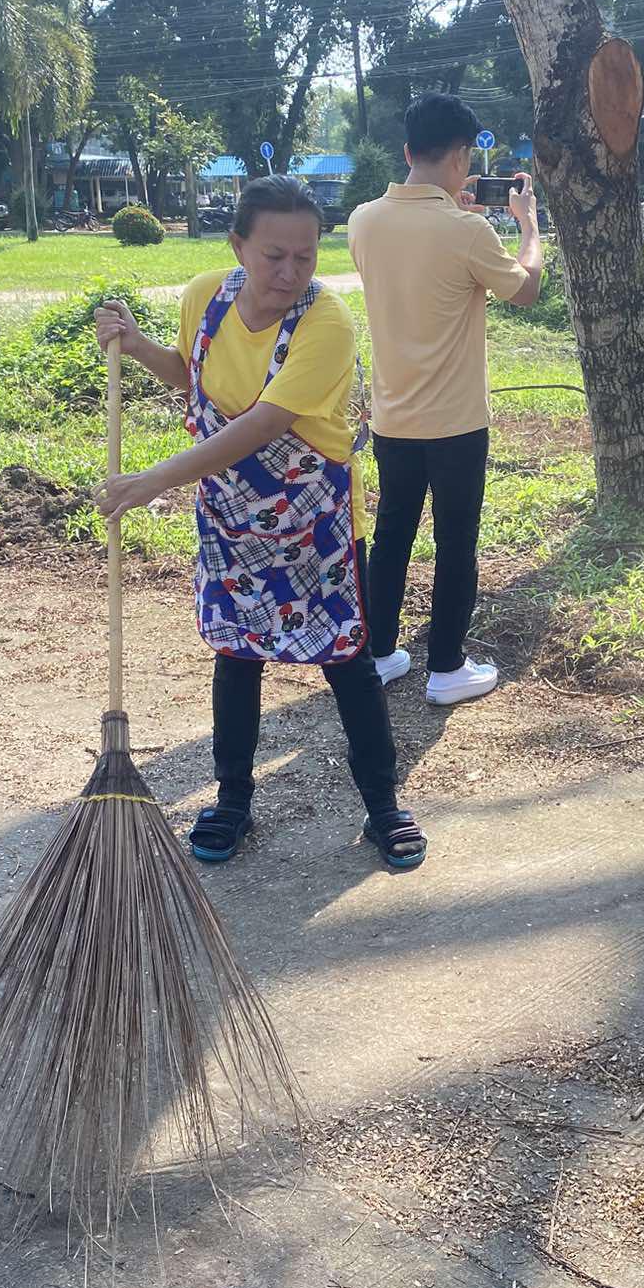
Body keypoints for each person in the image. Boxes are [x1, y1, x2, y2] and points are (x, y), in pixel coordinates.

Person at [92, 175, 426, 870]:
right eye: (274, 255)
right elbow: (193, 377)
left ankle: (384, 806)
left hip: (318, 528)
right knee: (237, 657)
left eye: (305, 256)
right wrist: (135, 342)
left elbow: (263, 424)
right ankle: (233, 801)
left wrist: (153, 480)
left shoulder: (325, 321)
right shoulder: (203, 299)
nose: (290, 272)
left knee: (347, 662)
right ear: (238, 244)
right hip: (231, 523)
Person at [348, 93, 545, 706]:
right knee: (456, 540)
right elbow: (526, 291)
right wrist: (529, 227)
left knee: (392, 535)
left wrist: (453, 217)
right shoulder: (467, 230)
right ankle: (446, 668)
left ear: (407, 152)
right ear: (462, 156)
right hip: (456, 422)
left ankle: (379, 654)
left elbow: (417, 264)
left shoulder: (362, 220)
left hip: (393, 415)